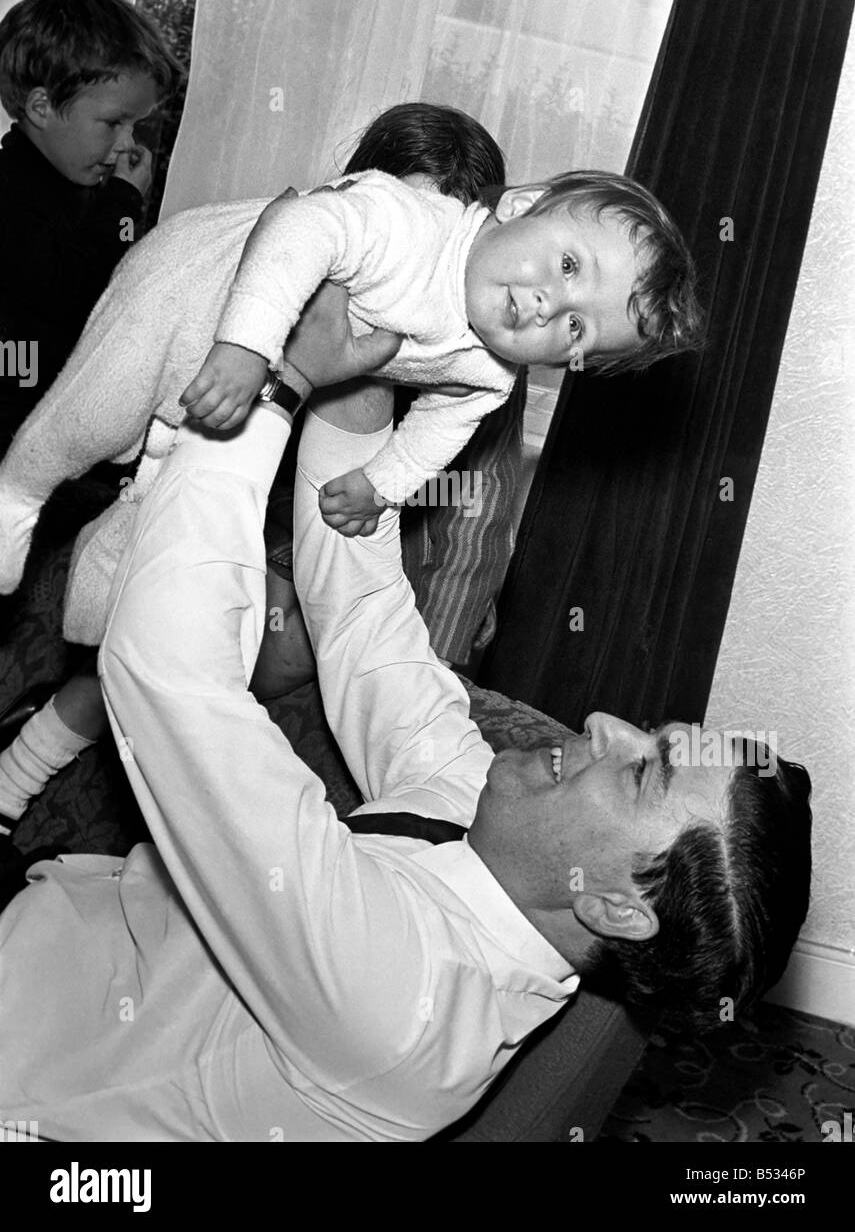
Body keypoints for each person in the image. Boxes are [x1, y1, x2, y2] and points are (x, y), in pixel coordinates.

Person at [0, 293, 812, 1141]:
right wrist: (366, 362)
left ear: (614, 909)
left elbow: (169, 679)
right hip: (57, 913)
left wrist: (273, 387)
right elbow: (361, 617)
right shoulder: (495, 819)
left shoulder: (399, 1005)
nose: (606, 721)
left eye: (643, 768)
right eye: (652, 731)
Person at [0, 103, 513, 832]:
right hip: (199, 471)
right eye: (406, 210)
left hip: (297, 541)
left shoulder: (458, 355)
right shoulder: (303, 259)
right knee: (150, 610)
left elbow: (409, 529)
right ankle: (18, 770)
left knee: (225, 644)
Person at [182, 163, 702, 534]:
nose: (550, 306)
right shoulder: (418, 228)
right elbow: (302, 222)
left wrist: (380, 485)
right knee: (107, 419)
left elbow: (440, 427)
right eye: (569, 265)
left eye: (575, 327)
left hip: (227, 382)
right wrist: (246, 345)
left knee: (158, 472)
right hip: (201, 288)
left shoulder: (493, 373)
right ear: (521, 205)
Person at [0, 0, 182, 451]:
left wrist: (123, 211)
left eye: (136, 124)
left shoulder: (79, 188)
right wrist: (123, 202)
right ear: (41, 107)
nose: (127, 143)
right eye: (112, 123)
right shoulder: (11, 192)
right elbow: (72, 292)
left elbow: (119, 264)